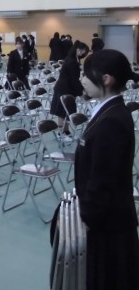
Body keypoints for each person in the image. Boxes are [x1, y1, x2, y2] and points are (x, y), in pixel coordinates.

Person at [75, 49, 139, 289]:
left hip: (108, 224)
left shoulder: (112, 120)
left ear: (106, 79)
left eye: (86, 74)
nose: (82, 79)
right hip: (109, 218)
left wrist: (87, 217)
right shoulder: (109, 111)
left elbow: (103, 179)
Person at [49, 41, 89, 132]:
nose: (84, 54)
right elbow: (74, 79)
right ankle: (63, 131)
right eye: (84, 51)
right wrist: (81, 91)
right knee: (65, 111)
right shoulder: (72, 61)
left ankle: (63, 131)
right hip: (65, 88)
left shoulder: (72, 59)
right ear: (78, 50)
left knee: (63, 111)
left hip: (64, 87)